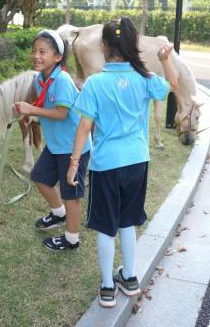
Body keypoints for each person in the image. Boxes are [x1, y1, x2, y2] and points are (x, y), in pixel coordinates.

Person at [67, 18, 178, 307]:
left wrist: (74, 163)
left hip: (106, 165)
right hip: (138, 162)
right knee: (127, 223)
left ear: (103, 46)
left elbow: (83, 128)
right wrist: (165, 60)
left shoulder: (94, 83)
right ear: (132, 46)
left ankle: (107, 286)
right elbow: (171, 86)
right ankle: (129, 277)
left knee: (106, 227)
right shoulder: (144, 78)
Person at [13, 29, 91, 251]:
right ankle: (58, 213)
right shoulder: (41, 78)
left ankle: (71, 239)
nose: (36, 55)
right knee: (39, 176)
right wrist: (28, 111)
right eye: (34, 50)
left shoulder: (62, 80)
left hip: (72, 147)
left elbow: (61, 113)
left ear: (58, 57)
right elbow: (45, 104)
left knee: (71, 194)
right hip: (57, 145)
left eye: (42, 52)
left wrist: (32, 109)